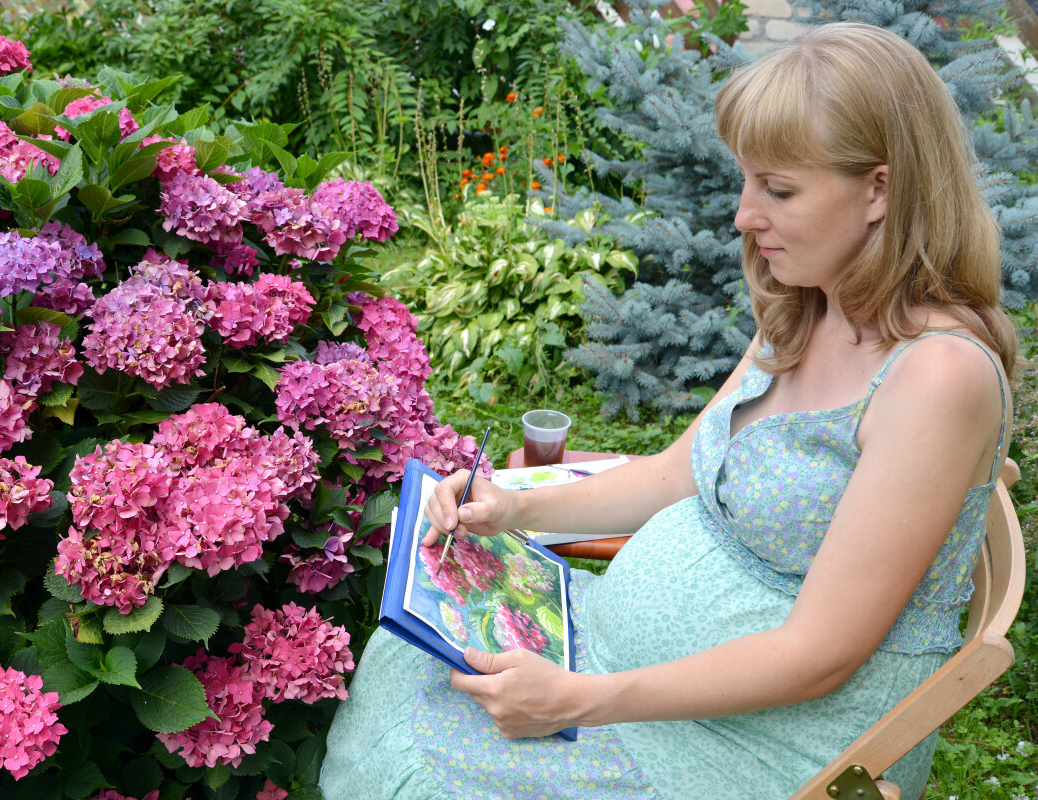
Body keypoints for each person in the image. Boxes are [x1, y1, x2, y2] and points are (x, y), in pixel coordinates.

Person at [319, 21, 1016, 800]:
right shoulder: (812, 305)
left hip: (761, 745)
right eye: (747, 182)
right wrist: (513, 510)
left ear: (880, 188)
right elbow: (677, 471)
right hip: (636, 670)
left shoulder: (937, 378)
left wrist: (581, 701)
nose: (744, 217)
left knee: (435, 772)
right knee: (418, 665)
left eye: (779, 190)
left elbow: (823, 654)